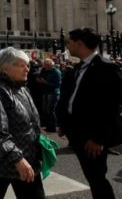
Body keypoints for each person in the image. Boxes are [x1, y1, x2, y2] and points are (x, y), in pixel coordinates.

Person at [56, 28, 122, 199]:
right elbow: (69, 98)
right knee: (92, 176)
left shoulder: (107, 68)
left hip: (93, 136)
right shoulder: (77, 68)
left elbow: (110, 107)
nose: (67, 46)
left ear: (80, 44)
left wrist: (99, 138)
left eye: (69, 43)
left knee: (97, 177)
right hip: (76, 132)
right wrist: (64, 123)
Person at [0, 47, 45, 199]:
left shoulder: (22, 88)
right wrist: (17, 158)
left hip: (27, 158)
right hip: (1, 163)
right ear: (6, 69)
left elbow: (28, 120)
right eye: (21, 65)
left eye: (27, 65)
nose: (27, 69)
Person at [37, 58, 61, 132]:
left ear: (51, 65)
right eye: (44, 65)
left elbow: (57, 85)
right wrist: (39, 80)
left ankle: (52, 127)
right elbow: (39, 77)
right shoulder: (44, 70)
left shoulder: (56, 72)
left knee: (50, 110)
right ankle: (48, 126)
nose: (45, 66)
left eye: (47, 65)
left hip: (53, 93)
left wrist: (46, 83)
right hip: (45, 92)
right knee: (45, 110)